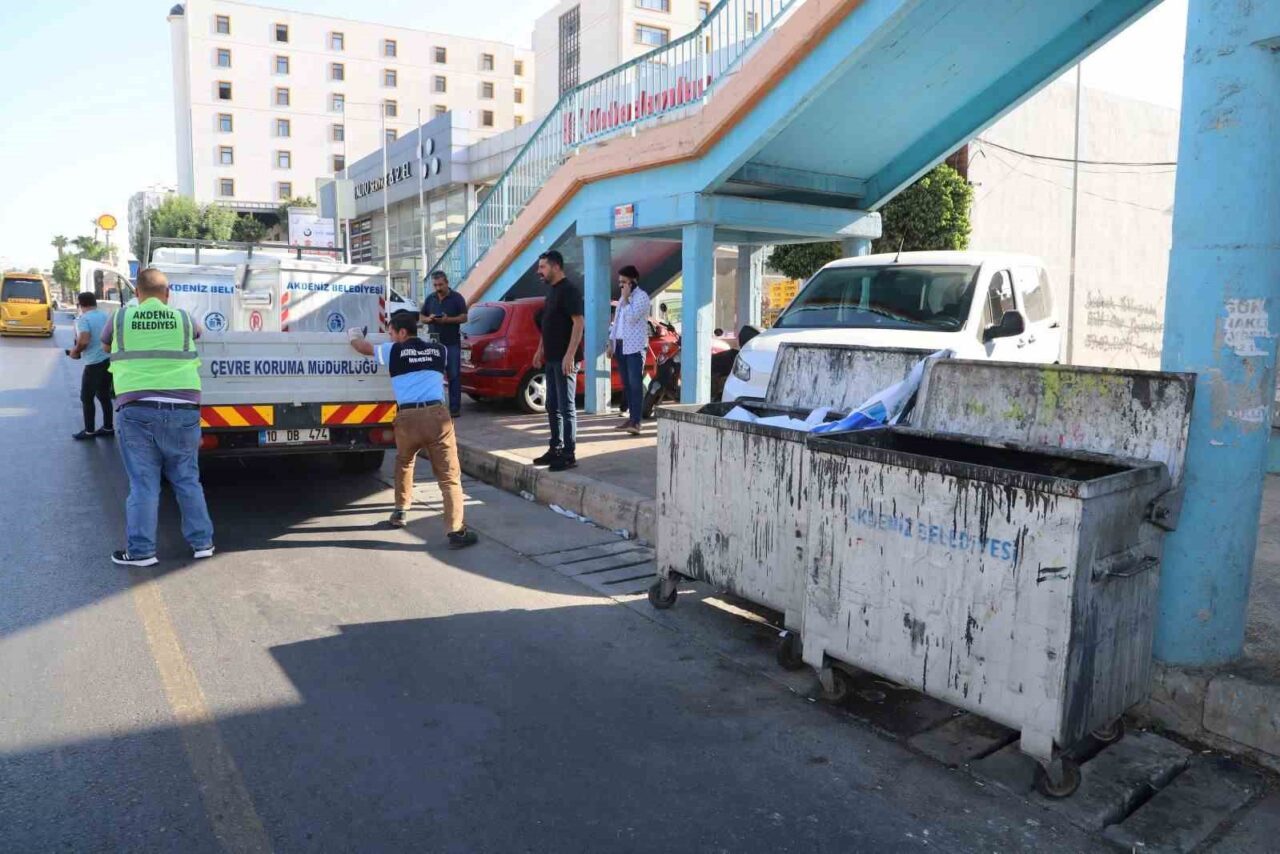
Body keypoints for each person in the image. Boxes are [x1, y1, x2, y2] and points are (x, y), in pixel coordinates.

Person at [102, 268, 214, 567]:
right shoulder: (182, 318)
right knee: (188, 480)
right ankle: (202, 543)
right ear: (167, 294)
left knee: (143, 485)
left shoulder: (121, 318)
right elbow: (200, 334)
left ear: (137, 294)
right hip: (183, 410)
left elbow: (104, 346)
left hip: (137, 410)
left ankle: (141, 553)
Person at [348, 313, 478, 548]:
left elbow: (362, 347)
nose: (390, 337)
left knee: (405, 462)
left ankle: (400, 511)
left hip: (407, 418)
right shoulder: (439, 351)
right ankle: (456, 531)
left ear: (402, 333)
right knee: (449, 478)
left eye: (391, 333)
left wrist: (354, 334)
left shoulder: (393, 351)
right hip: (437, 418)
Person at [531, 250, 583, 472]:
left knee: (566, 406)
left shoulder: (569, 291)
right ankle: (555, 448)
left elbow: (578, 323)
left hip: (564, 359)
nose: (539, 271)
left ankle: (569, 454)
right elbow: (547, 324)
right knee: (552, 405)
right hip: (551, 358)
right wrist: (539, 350)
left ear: (555, 266)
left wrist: (569, 355)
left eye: (542, 267)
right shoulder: (551, 292)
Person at [604, 265, 650, 435]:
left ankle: (637, 422)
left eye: (624, 282)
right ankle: (631, 418)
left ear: (633, 281)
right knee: (627, 385)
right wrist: (611, 343)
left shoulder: (642, 297)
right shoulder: (623, 299)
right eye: (620, 282)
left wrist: (627, 298)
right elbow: (616, 324)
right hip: (621, 346)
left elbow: (631, 318)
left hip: (635, 347)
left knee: (635, 384)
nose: (621, 285)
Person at [420, 271, 468, 418]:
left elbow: (464, 317)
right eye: (435, 285)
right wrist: (428, 319)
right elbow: (421, 316)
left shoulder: (457, 298)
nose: (438, 288)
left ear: (447, 283)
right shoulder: (430, 298)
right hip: (434, 343)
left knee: (453, 375)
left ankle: (454, 408)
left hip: (452, 342)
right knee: (435, 376)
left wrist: (447, 320)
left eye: (440, 284)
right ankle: (436, 407)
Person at [67, 292, 114, 440]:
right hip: (108, 360)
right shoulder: (105, 316)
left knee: (86, 398)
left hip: (93, 364)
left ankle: (89, 431)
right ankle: (108, 427)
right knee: (104, 395)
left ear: (80, 305)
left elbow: (84, 341)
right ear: (94, 302)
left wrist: (75, 352)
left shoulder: (83, 319)